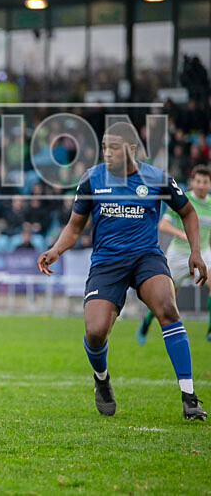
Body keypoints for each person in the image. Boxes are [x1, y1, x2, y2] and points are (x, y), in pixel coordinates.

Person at [37, 128, 207, 421]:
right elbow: (75, 226)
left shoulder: (157, 178)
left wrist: (195, 251)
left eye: (113, 147)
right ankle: (101, 380)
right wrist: (56, 250)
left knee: (168, 308)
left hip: (146, 257)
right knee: (95, 331)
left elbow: (188, 212)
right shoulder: (92, 178)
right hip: (107, 262)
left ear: (131, 149)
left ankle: (189, 397)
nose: (106, 152)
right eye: (104, 147)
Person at [138, 165, 211, 344]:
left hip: (203, 253)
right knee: (167, 299)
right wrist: (181, 234)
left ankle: (210, 330)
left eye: (205, 182)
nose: (201, 185)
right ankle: (147, 322)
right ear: (192, 183)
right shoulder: (183, 201)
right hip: (178, 255)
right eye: (198, 181)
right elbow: (163, 225)